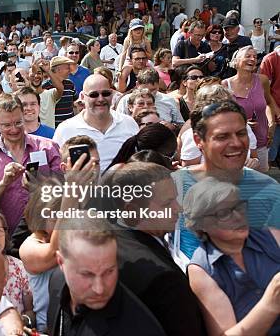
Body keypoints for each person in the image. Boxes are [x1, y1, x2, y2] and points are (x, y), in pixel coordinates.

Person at [104, 162, 206, 335]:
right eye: (167, 204)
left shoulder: (101, 242)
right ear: (133, 211)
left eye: (176, 198)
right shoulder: (164, 279)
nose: (178, 209)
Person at [173, 100, 280, 263]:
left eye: (241, 133)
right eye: (222, 136)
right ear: (198, 141)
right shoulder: (172, 187)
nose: (236, 143)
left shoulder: (270, 191)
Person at [182, 177, 280, 336]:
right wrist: (271, 304)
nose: (238, 216)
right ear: (202, 224)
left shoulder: (269, 235)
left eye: (239, 207)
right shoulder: (201, 271)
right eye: (224, 213)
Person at [47, 219, 167, 336]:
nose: (99, 289)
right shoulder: (56, 282)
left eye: (108, 271)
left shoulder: (140, 330)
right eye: (87, 274)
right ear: (61, 262)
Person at [0, 93, 62, 234]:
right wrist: (4, 183)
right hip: (6, 239)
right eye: (7, 125)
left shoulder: (48, 147)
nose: (14, 130)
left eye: (18, 123)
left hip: (47, 235)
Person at [54, 74, 139, 172]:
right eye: (94, 95)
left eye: (105, 93)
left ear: (112, 94)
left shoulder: (128, 123)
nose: (100, 99)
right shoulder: (66, 129)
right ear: (82, 97)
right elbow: (56, 170)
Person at [222, 46, 277, 172]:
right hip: (237, 144)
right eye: (248, 56)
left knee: (261, 182)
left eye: (255, 57)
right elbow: (222, 116)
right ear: (236, 61)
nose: (252, 59)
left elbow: (268, 103)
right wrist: (243, 124)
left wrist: (272, 123)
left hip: (261, 141)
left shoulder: (262, 80)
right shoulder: (225, 85)